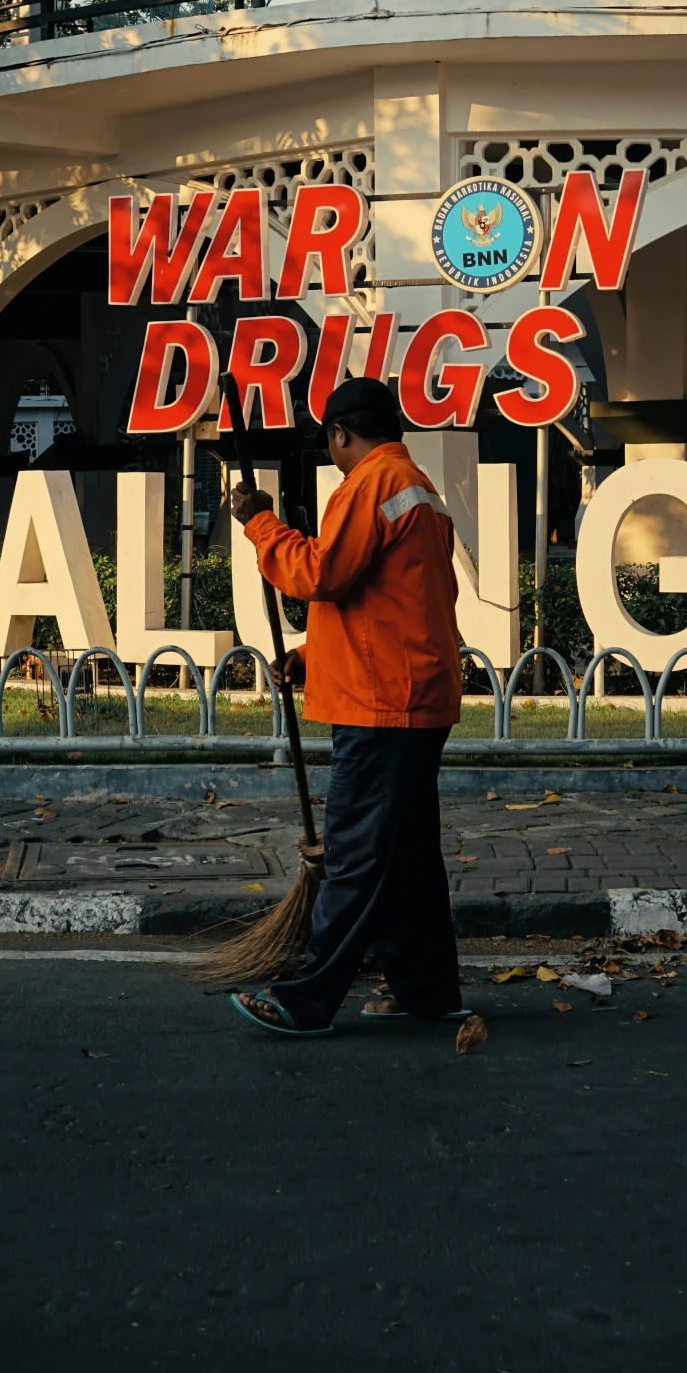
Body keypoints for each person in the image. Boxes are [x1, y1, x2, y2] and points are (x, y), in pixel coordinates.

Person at [226, 375, 464, 1036]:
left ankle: (306, 998)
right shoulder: (417, 487)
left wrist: (258, 522)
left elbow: (319, 575)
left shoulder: (371, 485)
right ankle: (428, 992)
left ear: (339, 434)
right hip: (412, 695)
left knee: (356, 855)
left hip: (384, 706)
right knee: (408, 857)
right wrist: (310, 655)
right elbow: (387, 604)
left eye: (328, 440)